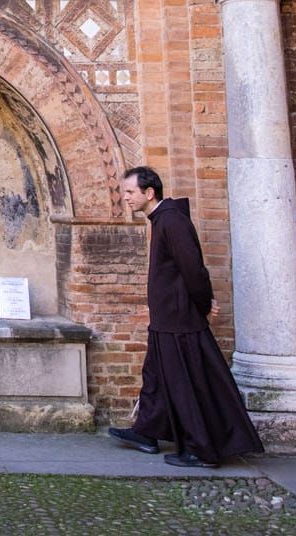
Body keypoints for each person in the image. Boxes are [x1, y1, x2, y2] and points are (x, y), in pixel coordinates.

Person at [108, 165, 264, 468]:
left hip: (178, 321)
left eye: (129, 191)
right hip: (166, 318)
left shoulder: (172, 221)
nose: (125, 197)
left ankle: (201, 449)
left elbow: (193, 268)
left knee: (185, 384)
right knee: (155, 377)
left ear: (149, 193)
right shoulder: (162, 220)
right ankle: (147, 431)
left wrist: (204, 304)